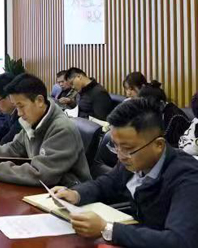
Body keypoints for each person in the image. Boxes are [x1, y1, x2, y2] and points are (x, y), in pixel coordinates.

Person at [52, 97, 198, 247]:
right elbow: (105, 184)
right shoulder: (133, 160)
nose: (120, 156)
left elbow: (178, 241)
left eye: (127, 148)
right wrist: (76, 194)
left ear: (158, 145)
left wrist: (108, 229)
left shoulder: (188, 178)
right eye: (116, 146)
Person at [0, 73, 91, 187]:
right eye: (16, 107)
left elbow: (42, 173)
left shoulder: (61, 129)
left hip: (69, 193)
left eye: (21, 106)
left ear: (39, 101)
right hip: (46, 189)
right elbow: (14, 148)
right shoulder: (33, 120)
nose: (19, 113)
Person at [137, 82, 190, 148]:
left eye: (149, 107)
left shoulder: (175, 117)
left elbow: (176, 145)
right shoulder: (156, 113)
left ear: (161, 103)